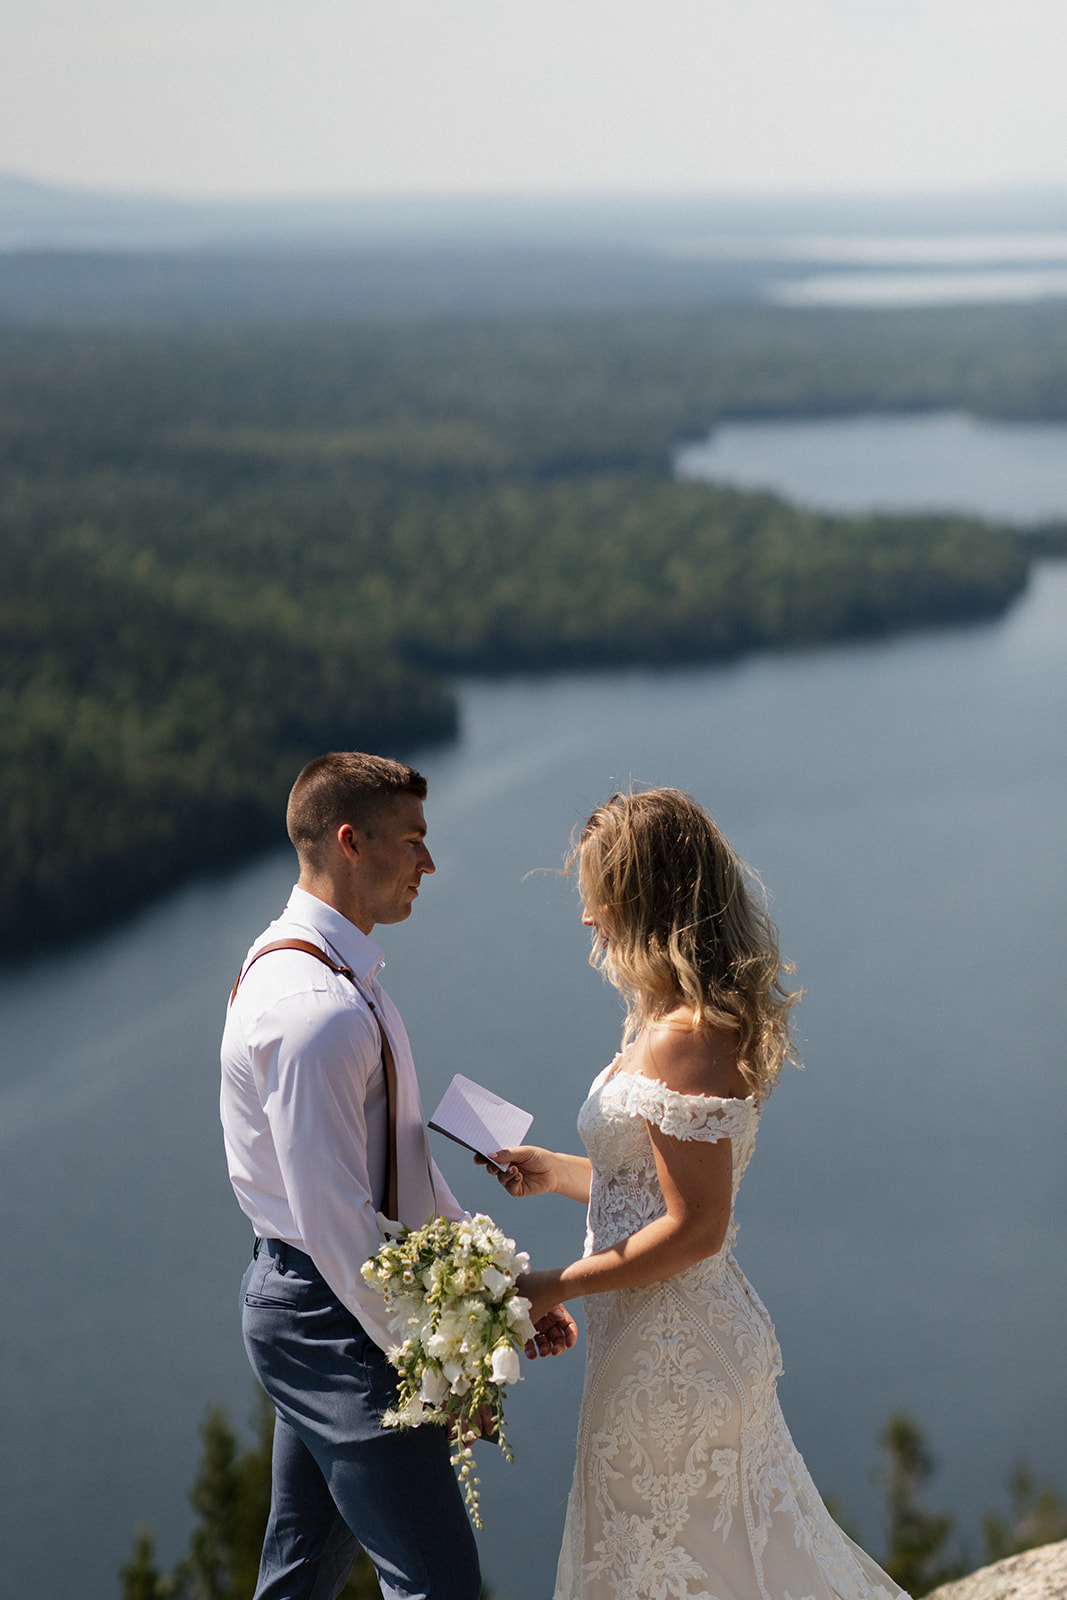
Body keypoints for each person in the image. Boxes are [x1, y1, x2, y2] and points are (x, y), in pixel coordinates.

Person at [480, 787, 908, 1600]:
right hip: (650, 1335)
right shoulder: (667, 1022)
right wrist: (555, 1170)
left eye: (596, 893)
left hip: (672, 1353)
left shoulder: (686, 1038)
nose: (585, 917)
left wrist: (550, 1286)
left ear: (641, 897)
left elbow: (696, 1228)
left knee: (676, 1565)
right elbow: (647, 1193)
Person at [221, 751, 575, 1600]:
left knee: (301, 1577)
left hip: (320, 1301)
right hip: (335, 1315)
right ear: (350, 842)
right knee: (438, 1585)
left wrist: (496, 1299)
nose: (429, 862)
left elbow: (398, 1170)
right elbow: (341, 1222)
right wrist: (434, 1365)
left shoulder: (329, 974)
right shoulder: (316, 1012)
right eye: (412, 841)